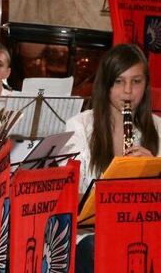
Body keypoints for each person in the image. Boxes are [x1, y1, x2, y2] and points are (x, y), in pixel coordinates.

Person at [60, 43, 161, 273]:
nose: (127, 91)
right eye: (118, 81)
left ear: (145, 86)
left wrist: (153, 175)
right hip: (92, 235)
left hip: (145, 231)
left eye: (136, 81)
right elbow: (68, 195)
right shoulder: (80, 126)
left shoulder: (158, 128)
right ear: (106, 85)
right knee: (97, 248)